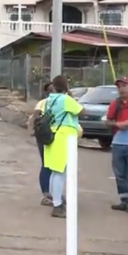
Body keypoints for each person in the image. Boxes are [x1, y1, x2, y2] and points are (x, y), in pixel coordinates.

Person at [41, 75, 82, 218]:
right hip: (64, 137)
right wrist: (70, 95)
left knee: (54, 171)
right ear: (66, 86)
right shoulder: (66, 100)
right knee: (61, 172)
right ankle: (57, 205)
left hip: (52, 135)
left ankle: (55, 199)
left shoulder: (48, 100)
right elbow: (81, 111)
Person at [105, 77, 128, 213]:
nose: (121, 89)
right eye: (119, 86)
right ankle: (125, 200)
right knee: (120, 174)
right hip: (118, 143)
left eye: (124, 85)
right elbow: (107, 121)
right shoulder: (115, 104)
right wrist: (117, 124)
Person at [29, 82, 55, 206]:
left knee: (51, 165)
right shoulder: (43, 103)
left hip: (49, 137)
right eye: (51, 90)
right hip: (46, 137)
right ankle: (47, 194)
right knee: (47, 165)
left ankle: (51, 193)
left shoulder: (45, 103)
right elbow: (34, 119)